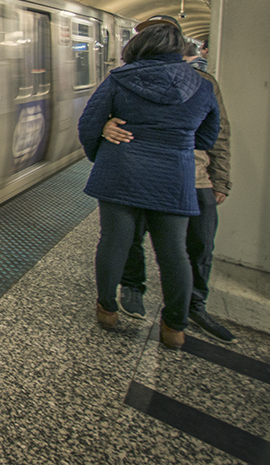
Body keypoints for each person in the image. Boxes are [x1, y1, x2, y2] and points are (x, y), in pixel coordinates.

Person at [78, 15, 220, 350]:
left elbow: (88, 123)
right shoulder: (201, 85)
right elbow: (208, 136)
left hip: (120, 171)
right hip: (174, 176)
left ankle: (107, 310)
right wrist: (177, 139)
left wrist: (102, 147)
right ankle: (174, 326)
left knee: (114, 243)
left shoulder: (119, 79)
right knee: (174, 252)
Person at [105, 41, 235, 342]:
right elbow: (99, 116)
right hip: (138, 174)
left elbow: (218, 134)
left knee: (198, 245)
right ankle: (133, 286)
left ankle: (192, 305)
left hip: (194, 177)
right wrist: (104, 128)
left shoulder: (203, 83)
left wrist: (220, 178)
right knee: (131, 238)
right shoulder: (125, 79)